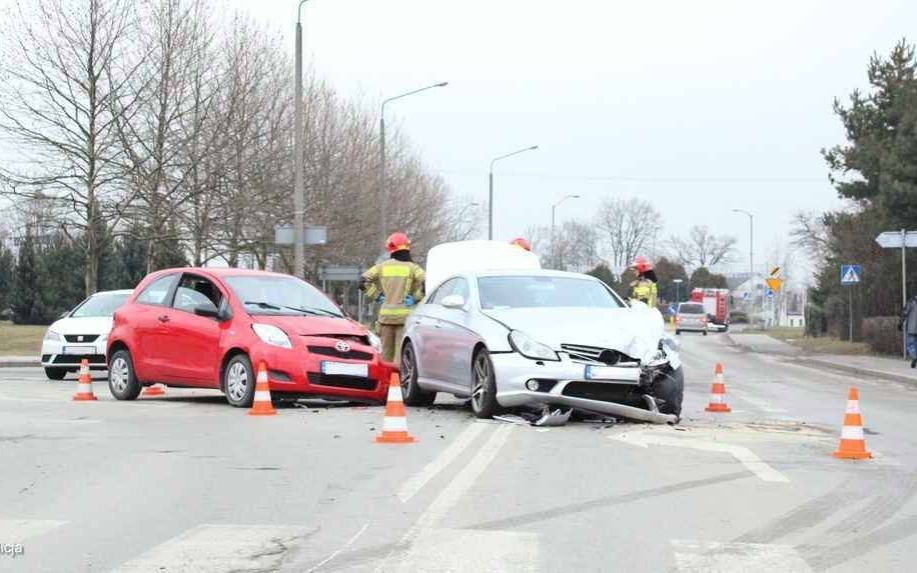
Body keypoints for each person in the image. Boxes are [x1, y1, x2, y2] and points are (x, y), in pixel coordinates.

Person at [361, 232, 426, 365]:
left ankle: (385, 383)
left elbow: (362, 282)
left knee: (385, 355)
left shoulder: (381, 267)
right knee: (400, 355)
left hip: (386, 318)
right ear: (407, 247)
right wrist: (415, 298)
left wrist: (377, 295)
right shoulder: (413, 268)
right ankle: (399, 383)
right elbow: (427, 282)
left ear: (390, 248)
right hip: (405, 318)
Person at [900, 293, 917, 368]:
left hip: (912, 328)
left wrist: (900, 323)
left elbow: (905, 313)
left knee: (910, 344)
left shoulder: (911, 302)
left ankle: (914, 357)